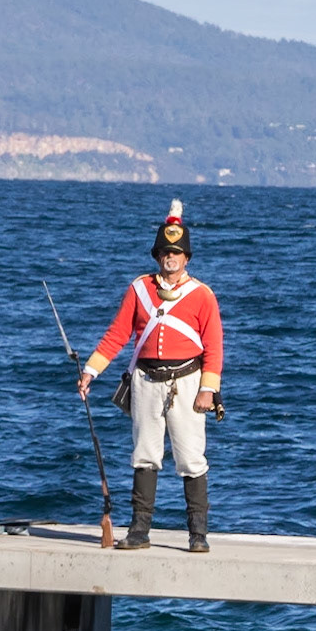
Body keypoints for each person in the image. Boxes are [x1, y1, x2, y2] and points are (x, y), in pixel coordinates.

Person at [77, 199, 223, 552]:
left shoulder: (203, 295)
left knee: (190, 458)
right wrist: (90, 371)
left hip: (187, 383)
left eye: (176, 252)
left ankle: (198, 536)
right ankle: (140, 531)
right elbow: (117, 335)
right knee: (144, 455)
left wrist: (208, 390)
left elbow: (214, 347)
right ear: (157, 256)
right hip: (145, 381)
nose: (170, 257)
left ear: (186, 258)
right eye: (164, 252)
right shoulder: (139, 289)